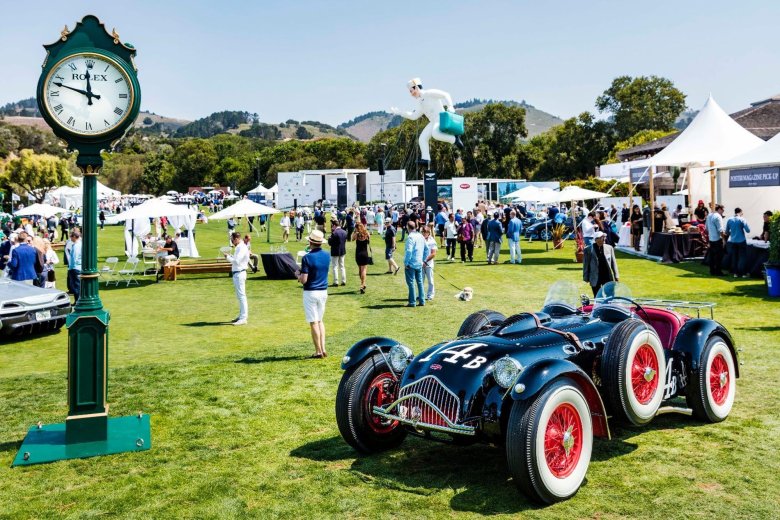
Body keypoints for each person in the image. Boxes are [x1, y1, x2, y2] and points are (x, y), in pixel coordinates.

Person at [389, 78, 464, 167]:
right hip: (433, 121)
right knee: (422, 138)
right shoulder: (419, 102)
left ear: (416, 87)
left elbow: (445, 94)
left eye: (412, 91)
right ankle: (426, 159)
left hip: (441, 117)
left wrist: (450, 106)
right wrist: (400, 112)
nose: (411, 94)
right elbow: (414, 116)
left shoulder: (429, 93)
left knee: (435, 133)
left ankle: (455, 139)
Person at [296, 230, 330, 358]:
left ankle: (318, 351)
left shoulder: (307, 257)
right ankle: (323, 348)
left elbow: (304, 280)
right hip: (323, 291)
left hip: (311, 291)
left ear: (310, 242)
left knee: (314, 322)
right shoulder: (327, 255)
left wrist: (297, 275)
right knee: (320, 321)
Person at [223, 232, 249, 325]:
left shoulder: (241, 247)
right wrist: (230, 257)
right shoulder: (239, 247)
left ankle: (243, 318)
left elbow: (237, 261)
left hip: (240, 273)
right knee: (240, 296)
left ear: (237, 239)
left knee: (242, 296)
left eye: (232, 240)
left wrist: (228, 257)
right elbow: (236, 259)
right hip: (237, 273)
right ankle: (241, 315)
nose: (232, 242)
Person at [583, 231, 619, 297]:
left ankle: (609, 304)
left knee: (610, 295)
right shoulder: (588, 249)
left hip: (607, 276)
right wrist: (586, 277)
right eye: (602, 237)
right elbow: (586, 264)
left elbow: (613, 263)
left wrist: (616, 275)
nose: (604, 238)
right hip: (595, 277)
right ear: (596, 239)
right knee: (597, 296)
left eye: (604, 237)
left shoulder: (609, 248)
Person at [404, 221, 429, 307]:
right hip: (419, 263)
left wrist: (406, 262)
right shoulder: (420, 236)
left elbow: (409, 251)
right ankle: (422, 301)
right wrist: (424, 260)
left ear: (408, 227)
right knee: (420, 282)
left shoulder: (410, 237)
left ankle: (412, 302)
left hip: (411, 263)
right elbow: (427, 249)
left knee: (411, 283)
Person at [725, 207, 751, 278]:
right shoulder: (742, 219)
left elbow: (726, 232)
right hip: (741, 240)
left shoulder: (729, 220)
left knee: (735, 257)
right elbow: (748, 230)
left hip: (733, 241)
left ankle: (735, 273)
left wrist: (732, 233)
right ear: (740, 212)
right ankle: (743, 273)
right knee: (742, 257)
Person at [706, 204, 726, 276]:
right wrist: (724, 239)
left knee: (712, 256)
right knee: (718, 257)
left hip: (711, 238)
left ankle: (712, 271)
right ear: (719, 209)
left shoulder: (709, 215)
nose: (723, 211)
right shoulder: (718, 216)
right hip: (717, 239)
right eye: (723, 209)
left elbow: (706, 228)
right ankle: (718, 271)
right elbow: (720, 230)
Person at [328, 217, 347, 286]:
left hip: (335, 251)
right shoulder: (344, 232)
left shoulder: (334, 233)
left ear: (334, 225)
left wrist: (329, 238)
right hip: (342, 251)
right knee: (342, 266)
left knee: (335, 267)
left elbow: (330, 243)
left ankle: (336, 281)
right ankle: (343, 280)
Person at [352, 222, 371, 294]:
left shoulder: (356, 234)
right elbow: (369, 240)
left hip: (358, 253)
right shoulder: (366, 233)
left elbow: (352, 239)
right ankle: (362, 284)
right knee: (364, 270)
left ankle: (363, 284)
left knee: (360, 270)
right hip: (365, 253)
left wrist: (354, 231)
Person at [421, 225, 438, 300]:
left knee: (430, 281)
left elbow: (433, 253)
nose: (424, 233)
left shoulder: (432, 241)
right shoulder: (419, 239)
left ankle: (430, 295)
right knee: (420, 281)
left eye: (425, 232)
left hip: (429, 264)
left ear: (428, 233)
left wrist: (425, 261)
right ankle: (420, 295)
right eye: (423, 232)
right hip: (420, 264)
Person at [67, 230, 82, 302]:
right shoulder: (80, 244)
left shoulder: (76, 246)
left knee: (76, 286)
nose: (70, 238)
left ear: (75, 237)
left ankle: (77, 301)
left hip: (75, 268)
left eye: (71, 237)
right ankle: (77, 301)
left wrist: (71, 267)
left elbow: (74, 258)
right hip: (78, 267)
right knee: (77, 285)